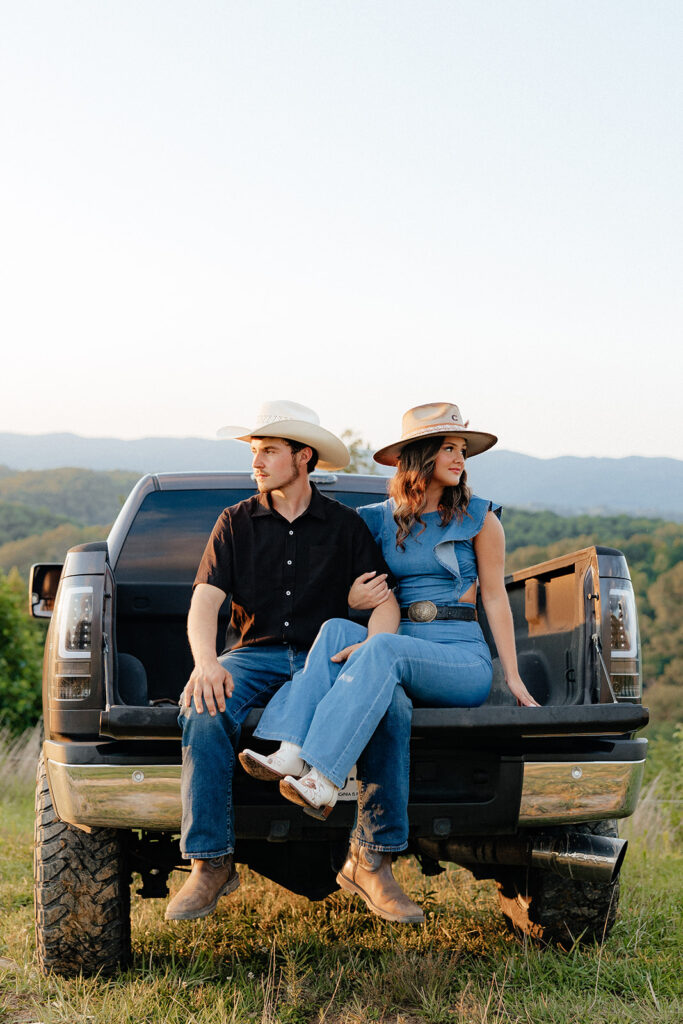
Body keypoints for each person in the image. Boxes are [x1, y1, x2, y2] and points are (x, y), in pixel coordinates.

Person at [240, 402, 540, 913]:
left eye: (462, 450)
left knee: (381, 645)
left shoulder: (481, 518)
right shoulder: (377, 521)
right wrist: (351, 603)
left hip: (458, 658)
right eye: (448, 448)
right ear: (418, 456)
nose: (459, 459)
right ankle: (292, 751)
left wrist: (511, 677)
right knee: (337, 629)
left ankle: (324, 776)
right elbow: (343, 587)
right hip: (394, 647)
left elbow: (494, 598)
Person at [165, 400, 420, 924]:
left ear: (303, 457)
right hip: (252, 656)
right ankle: (210, 863)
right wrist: (206, 662)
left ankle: (372, 859)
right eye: (254, 453)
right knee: (203, 706)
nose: (255, 463)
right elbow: (204, 603)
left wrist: (373, 649)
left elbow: (385, 603)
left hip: (322, 661)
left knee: (391, 704)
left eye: (268, 452)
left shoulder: (346, 527)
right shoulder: (233, 522)